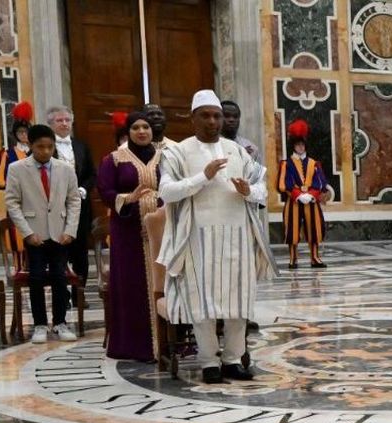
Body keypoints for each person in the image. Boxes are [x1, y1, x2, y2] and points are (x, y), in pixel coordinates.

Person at [156, 90, 275, 384]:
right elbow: (167, 192)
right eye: (206, 116)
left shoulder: (237, 151)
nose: (213, 122)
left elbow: (262, 190)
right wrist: (203, 177)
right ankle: (209, 362)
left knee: (239, 301)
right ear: (193, 119)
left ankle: (233, 360)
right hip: (197, 239)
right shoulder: (177, 152)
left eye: (217, 116)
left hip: (238, 237)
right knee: (203, 304)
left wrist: (249, 191)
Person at [4, 124, 83, 344]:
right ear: (30, 145)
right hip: (34, 233)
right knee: (36, 277)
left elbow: (74, 200)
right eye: (40, 147)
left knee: (59, 277)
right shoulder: (17, 169)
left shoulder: (65, 169)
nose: (46, 151)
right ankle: (39, 324)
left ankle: (60, 322)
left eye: (50, 146)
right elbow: (12, 203)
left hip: (59, 233)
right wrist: (27, 232)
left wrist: (70, 230)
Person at [97, 111, 161, 362]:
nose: (142, 131)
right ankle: (135, 346)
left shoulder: (165, 157)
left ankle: (167, 342)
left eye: (146, 127)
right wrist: (129, 198)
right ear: (128, 131)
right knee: (132, 286)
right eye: (136, 127)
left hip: (162, 231)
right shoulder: (114, 159)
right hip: (128, 233)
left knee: (164, 283)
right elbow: (105, 191)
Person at [46, 105, 96, 284]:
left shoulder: (81, 146)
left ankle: (80, 292)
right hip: (54, 208)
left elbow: (91, 174)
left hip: (80, 207)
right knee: (58, 250)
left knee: (80, 250)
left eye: (67, 120)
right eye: (59, 120)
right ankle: (61, 292)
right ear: (51, 124)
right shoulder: (43, 147)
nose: (64, 123)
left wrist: (82, 190)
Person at [277, 120, 329, 270]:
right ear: (293, 146)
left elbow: (320, 182)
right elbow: (283, 184)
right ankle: (293, 259)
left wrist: (312, 194)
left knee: (314, 229)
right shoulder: (286, 164)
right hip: (294, 201)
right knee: (292, 231)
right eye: (297, 144)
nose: (300, 147)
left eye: (302, 144)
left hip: (312, 202)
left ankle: (315, 258)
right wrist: (298, 195)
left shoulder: (314, 163)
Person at [0, 102, 35, 272]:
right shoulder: (7, 154)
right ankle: (19, 270)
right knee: (18, 238)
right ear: (15, 134)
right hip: (17, 201)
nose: (24, 135)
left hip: (37, 202)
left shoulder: (37, 152)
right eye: (20, 132)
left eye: (26, 132)